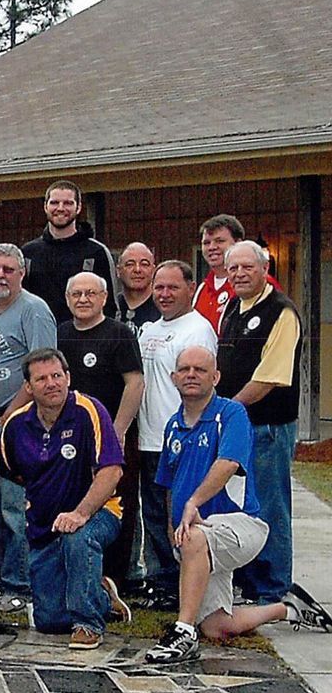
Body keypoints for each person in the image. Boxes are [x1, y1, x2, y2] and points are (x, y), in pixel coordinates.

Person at [143, 346, 326, 665]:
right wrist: (175, 524)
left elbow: (228, 462)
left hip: (240, 526)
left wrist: (194, 503)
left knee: (196, 536)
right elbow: (170, 484)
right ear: (173, 378)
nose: (191, 375)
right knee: (216, 627)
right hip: (196, 539)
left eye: (200, 370)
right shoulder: (173, 425)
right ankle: (289, 607)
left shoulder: (230, 415)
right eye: (184, 369)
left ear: (215, 377)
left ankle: (183, 633)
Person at [0, 349, 125, 649]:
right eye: (41, 379)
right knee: (50, 621)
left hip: (98, 513)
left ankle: (88, 624)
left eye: (57, 376)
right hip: (44, 523)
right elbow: (12, 472)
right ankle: (101, 593)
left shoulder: (89, 410)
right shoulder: (15, 426)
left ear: (68, 378)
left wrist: (80, 513)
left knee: (77, 538)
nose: (51, 383)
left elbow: (112, 472)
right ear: (28, 387)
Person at [0, 243, 57, 611]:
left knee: (14, 509)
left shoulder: (33, 310)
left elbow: (43, 370)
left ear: (21, 272)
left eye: (7, 268)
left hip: (16, 425)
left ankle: (20, 586)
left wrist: (10, 415)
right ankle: (1, 581)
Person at [217, 239, 304, 604]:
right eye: (233, 268)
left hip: (268, 426)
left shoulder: (282, 312)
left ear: (264, 269)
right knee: (241, 508)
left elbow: (270, 377)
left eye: (246, 267)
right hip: (239, 425)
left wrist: (228, 411)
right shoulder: (233, 307)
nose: (239, 274)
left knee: (269, 507)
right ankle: (248, 582)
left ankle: (271, 589)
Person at [137, 261, 217, 604]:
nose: (165, 294)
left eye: (173, 287)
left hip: (182, 438)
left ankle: (182, 583)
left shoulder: (198, 330)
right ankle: (160, 580)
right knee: (153, 514)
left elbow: (203, 384)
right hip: (147, 437)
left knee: (180, 515)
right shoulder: (148, 329)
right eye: (159, 287)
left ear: (190, 288)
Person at [60, 271, 145, 592]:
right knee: (76, 501)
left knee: (117, 503)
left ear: (104, 298)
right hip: (72, 439)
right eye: (77, 294)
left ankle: (115, 579)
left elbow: (135, 383)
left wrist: (118, 430)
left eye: (90, 294)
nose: (83, 299)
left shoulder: (120, 334)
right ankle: (78, 572)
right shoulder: (61, 334)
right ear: (68, 299)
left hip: (112, 438)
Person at [21, 179, 116, 322]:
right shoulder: (28, 254)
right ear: (45, 207)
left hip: (83, 339)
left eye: (68, 203)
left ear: (78, 208)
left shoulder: (96, 252)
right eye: (54, 203)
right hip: (39, 338)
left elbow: (110, 306)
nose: (60, 208)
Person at [195, 214, 248, 329]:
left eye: (219, 241)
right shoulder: (201, 289)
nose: (212, 247)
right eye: (206, 243)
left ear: (238, 243)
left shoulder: (252, 284)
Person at [115, 243, 160, 330]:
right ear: (118, 271)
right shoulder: (109, 307)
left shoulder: (164, 308)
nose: (137, 270)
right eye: (130, 264)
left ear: (154, 271)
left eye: (144, 264)